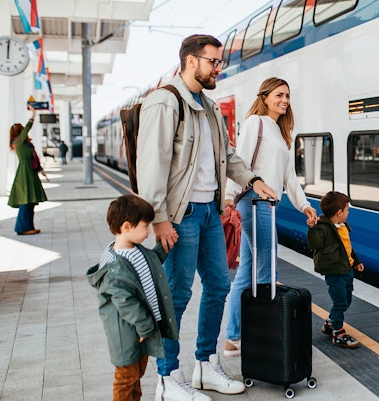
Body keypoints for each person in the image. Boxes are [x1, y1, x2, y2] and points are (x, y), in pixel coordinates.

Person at [136, 34, 277, 401]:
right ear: (190, 61)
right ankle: (167, 378)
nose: (219, 68)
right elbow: (152, 164)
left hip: (210, 214)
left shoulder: (211, 107)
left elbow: (228, 156)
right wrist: (159, 218)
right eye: (213, 61)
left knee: (218, 286)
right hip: (179, 216)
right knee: (176, 296)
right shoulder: (165, 103)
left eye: (219, 62)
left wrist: (254, 180)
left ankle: (205, 365)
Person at [223, 77, 318, 358]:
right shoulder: (257, 123)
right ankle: (254, 331)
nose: (285, 100)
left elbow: (289, 177)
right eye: (279, 95)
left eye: (287, 95)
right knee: (265, 269)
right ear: (264, 97)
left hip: (266, 205)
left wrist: (304, 206)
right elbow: (240, 161)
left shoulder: (279, 130)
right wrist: (229, 196)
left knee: (250, 270)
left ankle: (234, 337)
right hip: (254, 202)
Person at [86, 194, 178, 401]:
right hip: (128, 333)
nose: (148, 232)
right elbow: (126, 303)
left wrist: (164, 247)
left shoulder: (134, 250)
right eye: (145, 227)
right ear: (127, 227)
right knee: (126, 378)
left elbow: (149, 262)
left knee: (136, 375)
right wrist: (146, 327)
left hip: (140, 330)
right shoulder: (115, 267)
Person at [307, 191, 364, 349]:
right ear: (339, 213)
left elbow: (348, 248)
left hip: (346, 270)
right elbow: (315, 245)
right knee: (340, 302)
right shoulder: (323, 229)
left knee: (346, 300)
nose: (348, 213)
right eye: (347, 210)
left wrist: (356, 261)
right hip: (334, 272)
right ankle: (338, 334)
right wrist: (312, 229)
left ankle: (330, 323)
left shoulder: (343, 226)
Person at [8, 104, 48, 235]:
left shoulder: (25, 144)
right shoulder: (18, 143)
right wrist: (33, 114)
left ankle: (28, 227)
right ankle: (22, 228)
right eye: (22, 130)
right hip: (25, 175)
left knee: (30, 202)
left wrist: (41, 169)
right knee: (26, 202)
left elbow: (33, 158)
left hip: (29, 173)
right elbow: (27, 129)